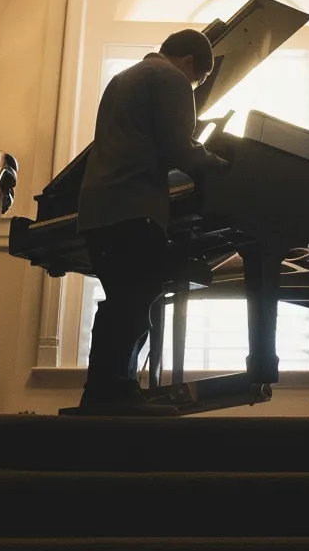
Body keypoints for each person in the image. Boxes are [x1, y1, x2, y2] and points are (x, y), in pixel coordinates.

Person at [70, 29, 231, 415]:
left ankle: (100, 394)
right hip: (134, 206)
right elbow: (179, 148)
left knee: (120, 301)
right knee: (136, 300)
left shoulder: (121, 79)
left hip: (98, 208)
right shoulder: (171, 78)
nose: (194, 86)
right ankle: (120, 393)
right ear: (190, 63)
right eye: (199, 80)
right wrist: (220, 164)